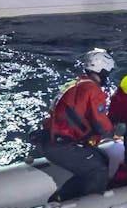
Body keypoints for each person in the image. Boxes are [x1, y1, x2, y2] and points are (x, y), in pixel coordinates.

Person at [44, 48, 115, 199]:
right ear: (102, 71)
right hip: (61, 145)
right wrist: (111, 135)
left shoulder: (74, 84)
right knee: (98, 170)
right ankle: (90, 206)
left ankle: (66, 195)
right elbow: (102, 123)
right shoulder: (92, 90)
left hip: (50, 139)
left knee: (99, 157)